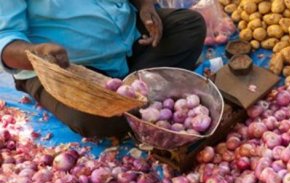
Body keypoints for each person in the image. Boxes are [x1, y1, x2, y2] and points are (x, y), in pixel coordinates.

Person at [0, 1, 206, 139]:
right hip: (66, 68)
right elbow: (5, 39)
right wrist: (37, 52)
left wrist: (145, 5)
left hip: (131, 37)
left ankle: (130, 93)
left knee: (189, 26)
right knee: (95, 119)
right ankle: (142, 93)